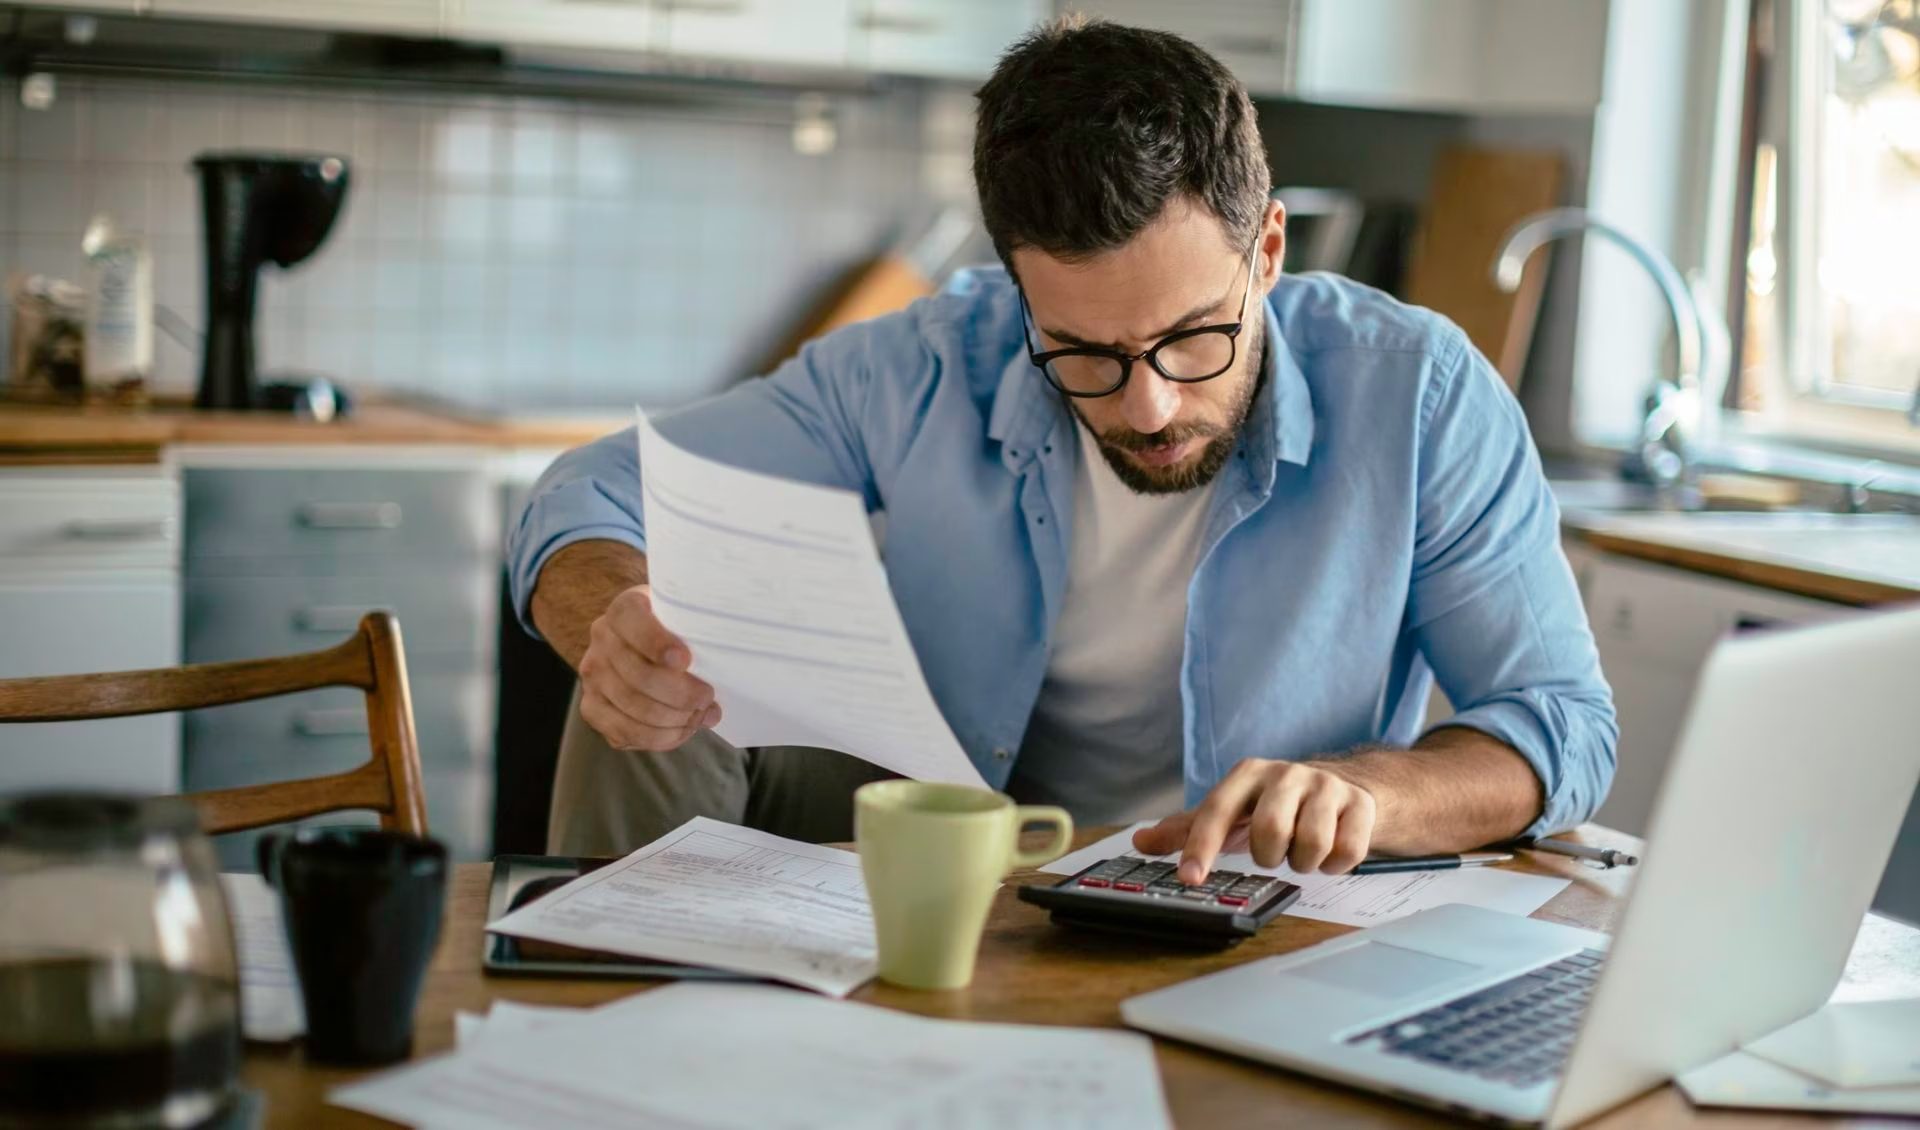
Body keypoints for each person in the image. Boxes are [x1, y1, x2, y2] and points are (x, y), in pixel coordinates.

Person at [508, 16, 1617, 884]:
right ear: (1019, 293)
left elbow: (1560, 722)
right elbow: (590, 487)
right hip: (949, 831)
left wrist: (1368, 793)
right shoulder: (931, 360)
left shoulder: (1419, 390)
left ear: (1267, 248)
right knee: (655, 641)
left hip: (1238, 887)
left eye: (1193, 338)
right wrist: (614, 616)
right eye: (1081, 350)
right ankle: (603, 1038)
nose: (1145, 405)